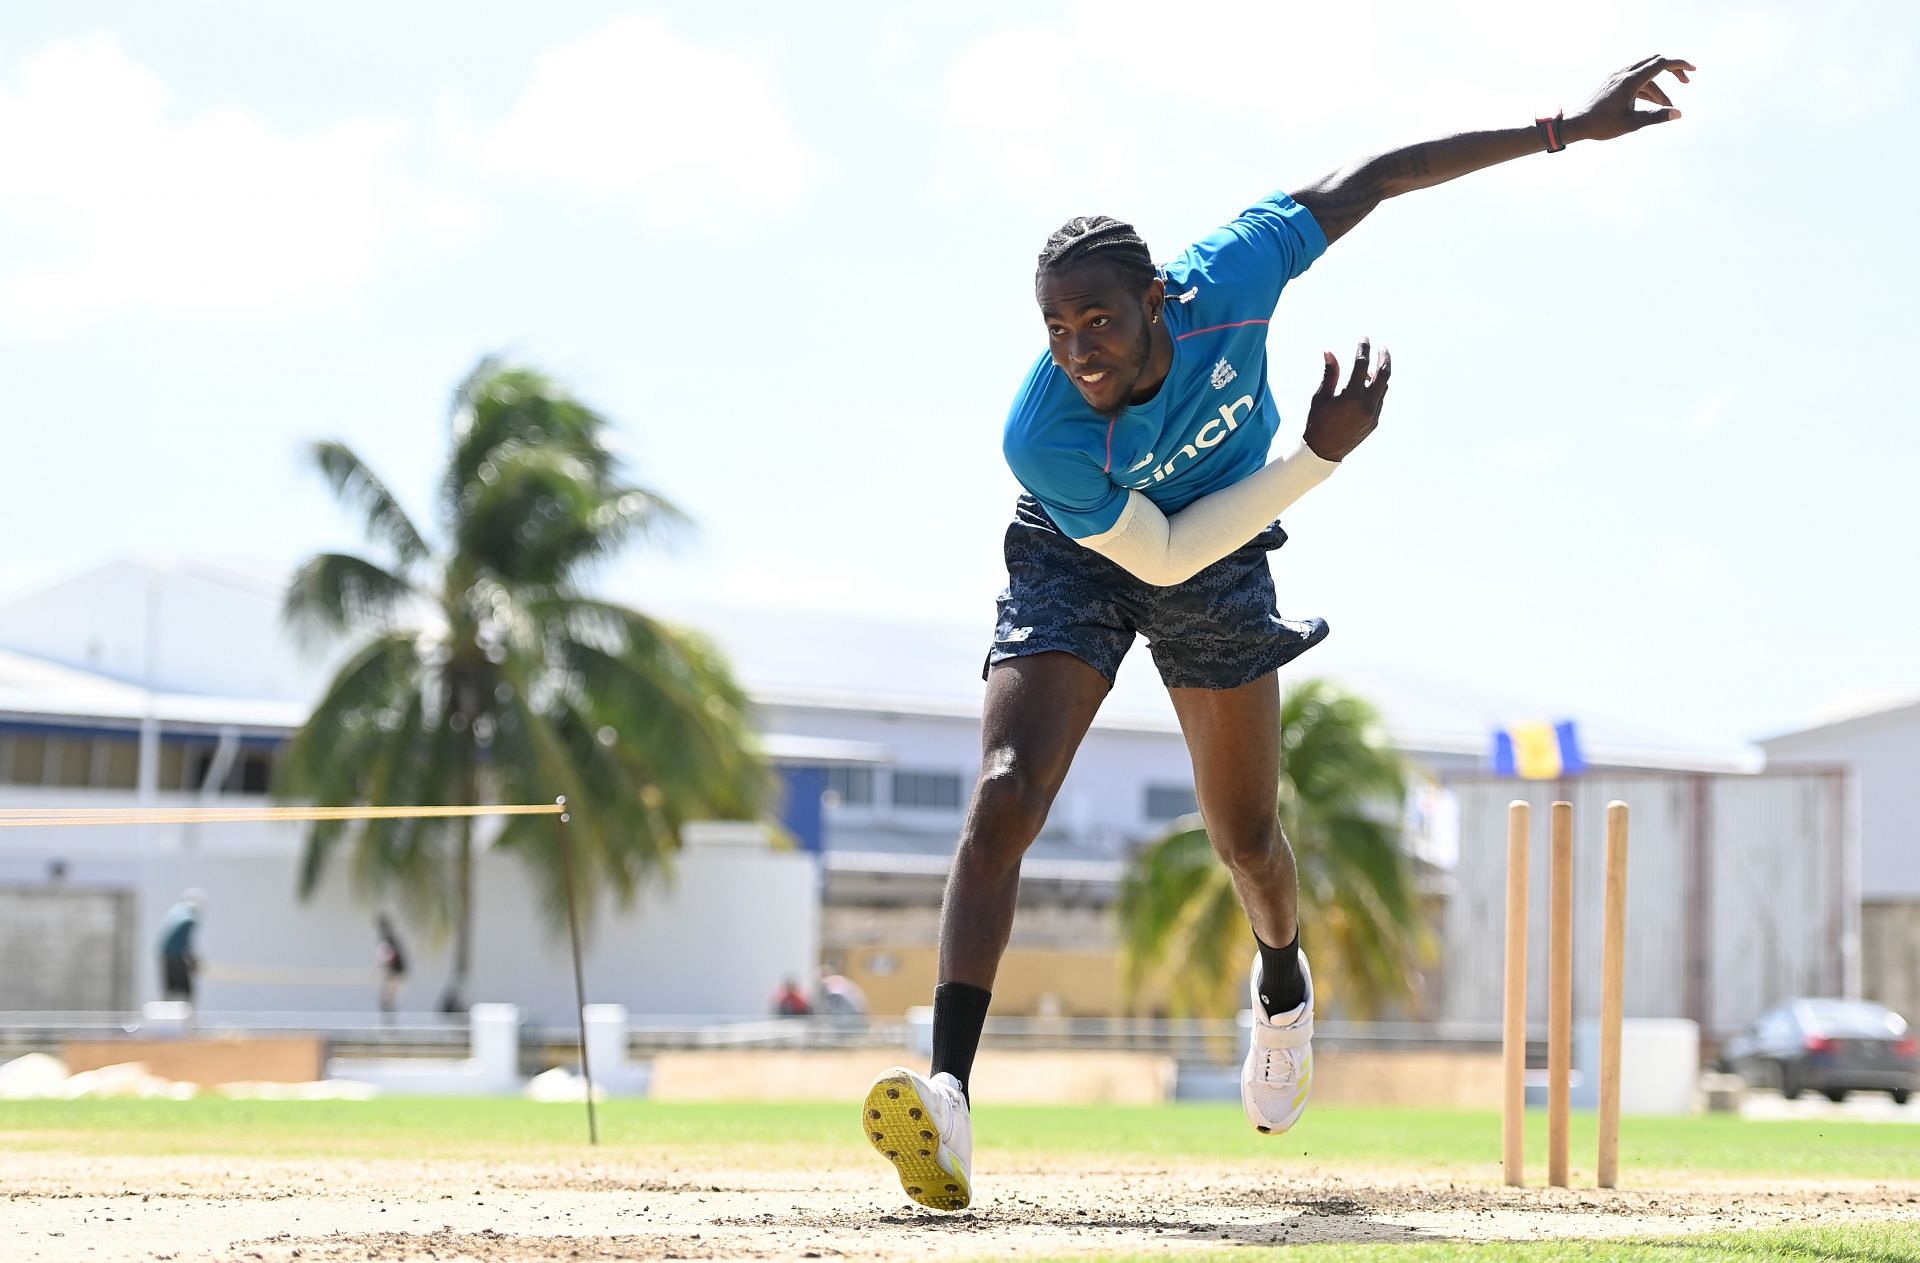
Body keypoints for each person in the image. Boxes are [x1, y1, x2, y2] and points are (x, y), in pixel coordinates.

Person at [862, 56, 1696, 1212]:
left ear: (1160, 295)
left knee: (1249, 840)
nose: (1077, 348)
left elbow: (1377, 178)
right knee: (1004, 793)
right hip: (1085, 549)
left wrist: (1561, 128)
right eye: (1055, 328)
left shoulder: (1237, 273)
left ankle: (1283, 987)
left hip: (1225, 542)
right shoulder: (1043, 435)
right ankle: (948, 1095)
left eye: (1098, 317)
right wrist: (1317, 459)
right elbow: (1152, 558)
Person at [157, 889, 203, 1005]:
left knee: (170, 990)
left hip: (166, 954)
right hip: (175, 956)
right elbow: (185, 942)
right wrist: (193, 960)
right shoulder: (189, 920)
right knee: (187, 991)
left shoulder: (176, 910)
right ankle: (188, 1020)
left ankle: (166, 1019)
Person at [375, 914, 408, 1021]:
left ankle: (391, 1028)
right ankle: (390, 1026)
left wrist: (386, 969)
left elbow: (390, 957)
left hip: (395, 973)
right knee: (386, 1000)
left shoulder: (388, 939)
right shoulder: (389, 939)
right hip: (394, 973)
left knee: (387, 1000)